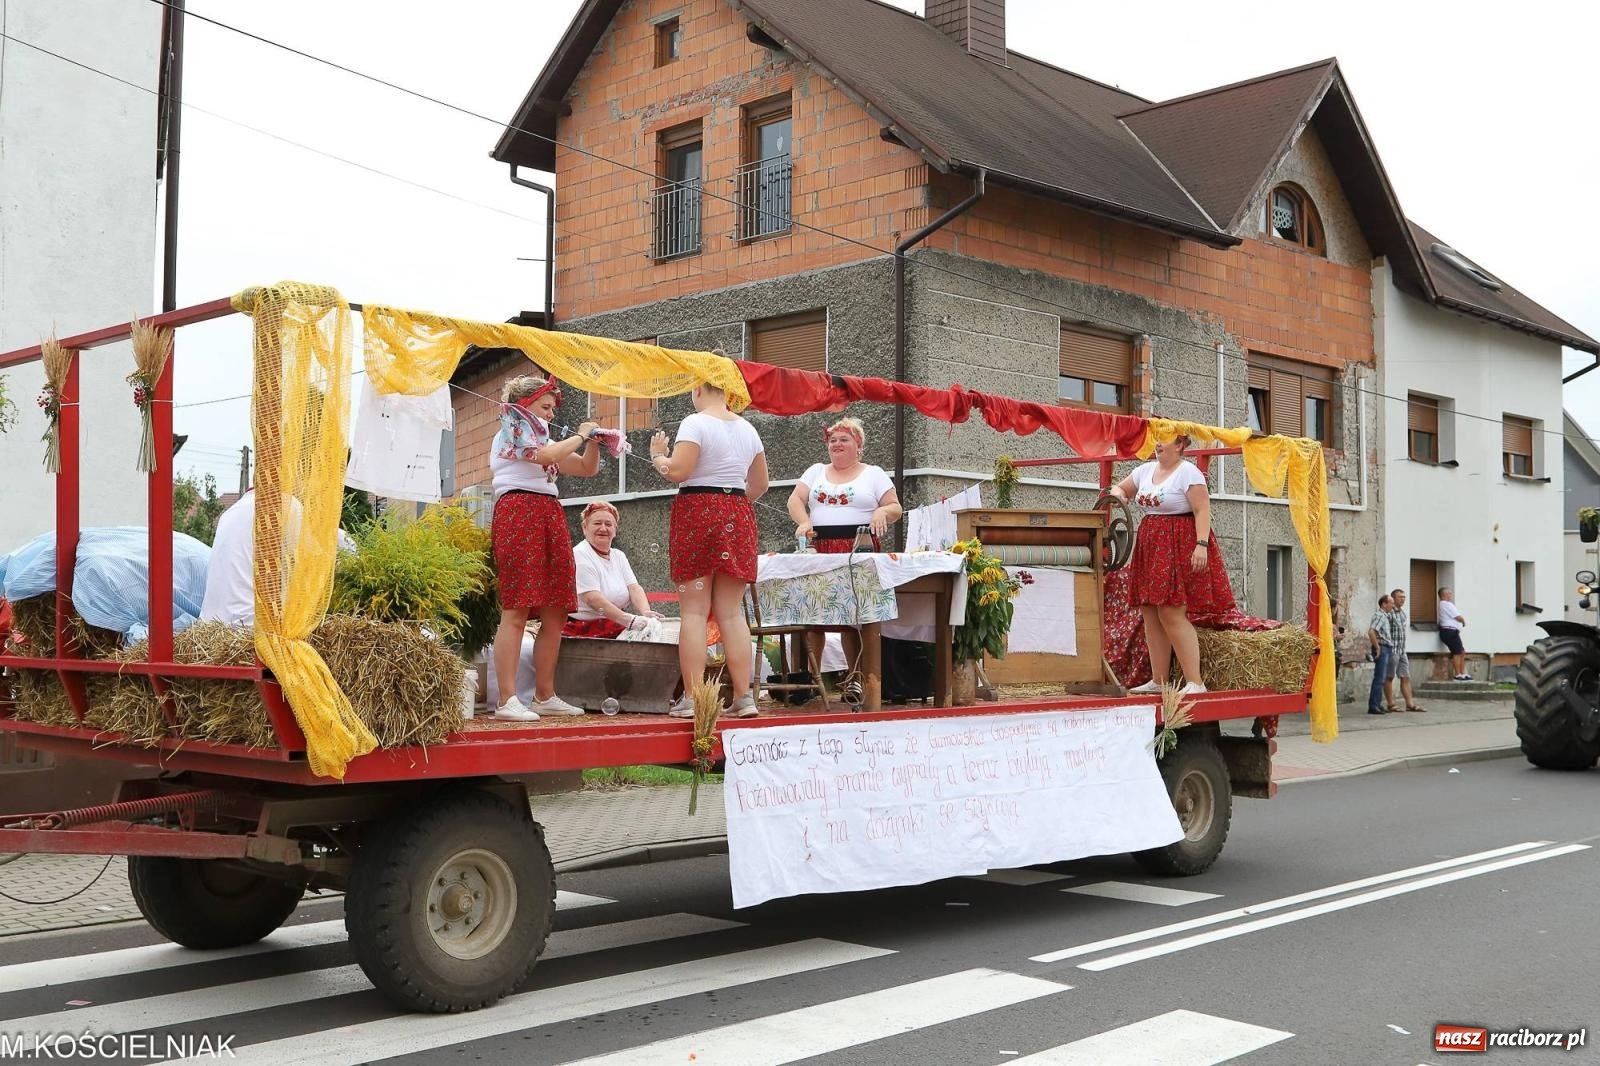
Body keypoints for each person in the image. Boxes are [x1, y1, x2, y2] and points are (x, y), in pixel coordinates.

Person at [650, 380, 769, 719]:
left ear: (699, 389)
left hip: (697, 511)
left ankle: (692, 698)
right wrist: (730, 506)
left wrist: (658, 456)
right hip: (737, 512)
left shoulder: (695, 421)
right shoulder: (748, 428)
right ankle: (744, 697)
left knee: (694, 611)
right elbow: (760, 484)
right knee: (732, 612)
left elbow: (679, 471)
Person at [489, 373, 602, 721]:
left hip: (548, 513)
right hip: (518, 511)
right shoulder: (512, 429)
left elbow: (585, 467)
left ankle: (544, 695)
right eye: (546, 406)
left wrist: (596, 440)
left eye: (553, 407)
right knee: (518, 607)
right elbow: (548, 454)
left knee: (557, 607)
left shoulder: (543, 437)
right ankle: (507, 700)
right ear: (524, 405)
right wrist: (581, 434)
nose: (552, 414)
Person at [785, 416, 902, 704]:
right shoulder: (815, 471)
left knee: (852, 617)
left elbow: (895, 507)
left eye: (844, 439)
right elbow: (794, 501)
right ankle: (814, 681)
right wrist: (803, 522)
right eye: (832, 439)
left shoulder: (873, 474)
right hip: (819, 547)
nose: (836, 444)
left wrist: (881, 513)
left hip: (857, 547)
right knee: (815, 615)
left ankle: (855, 680)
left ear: (858, 445)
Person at [1108, 436, 1218, 696]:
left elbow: (1202, 510)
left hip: (1178, 542)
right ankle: (1159, 680)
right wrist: (1118, 494)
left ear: (1180, 445)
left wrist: (1201, 545)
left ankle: (1195, 682)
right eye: (1156, 439)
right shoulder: (1145, 471)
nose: (1158, 444)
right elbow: (1121, 488)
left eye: (1164, 440)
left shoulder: (1188, 473)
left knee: (1171, 611)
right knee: (1149, 610)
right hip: (1150, 542)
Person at [563, 501, 661, 639]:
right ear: (584, 528)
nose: (603, 528)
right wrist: (630, 621)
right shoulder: (579, 554)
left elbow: (634, 588)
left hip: (614, 621)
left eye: (608, 524)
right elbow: (592, 599)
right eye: (597, 523)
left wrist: (646, 612)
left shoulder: (618, 556)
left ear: (615, 530)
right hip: (584, 626)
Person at [1388, 588, 1425, 711]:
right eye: (1400, 597)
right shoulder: (1389, 613)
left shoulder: (1402, 613)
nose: (1403, 599)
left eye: (1404, 597)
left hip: (1402, 650)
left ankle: (1410, 704)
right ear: (1393, 598)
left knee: (1405, 677)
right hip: (1392, 650)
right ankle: (1391, 704)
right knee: (1389, 677)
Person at [1367, 593, 1396, 715]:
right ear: (1384, 604)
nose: (1393, 606)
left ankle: (1377, 704)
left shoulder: (1385, 616)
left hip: (1386, 648)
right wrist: (1377, 647)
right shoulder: (1380, 616)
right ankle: (1374, 705)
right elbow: (1371, 632)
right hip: (1382, 648)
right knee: (1379, 677)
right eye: (1391, 603)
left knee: (1382, 678)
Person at [1438, 586, 1470, 680]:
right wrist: (1463, 620)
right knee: (1457, 652)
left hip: (1452, 631)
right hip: (1449, 631)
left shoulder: (1445, 604)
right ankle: (1457, 674)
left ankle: (1462, 673)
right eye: (1448, 593)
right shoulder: (1446, 604)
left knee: (1462, 652)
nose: (1450, 595)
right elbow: (1458, 617)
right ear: (1443, 595)